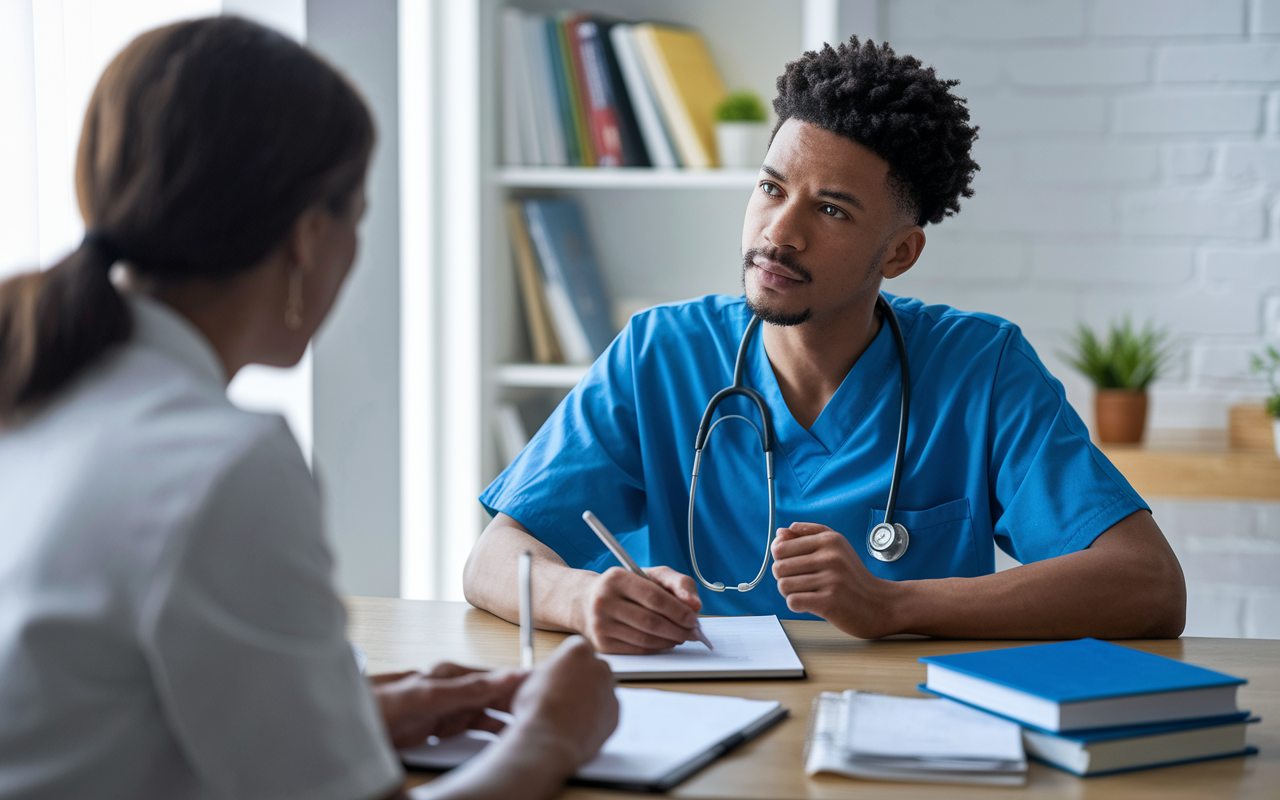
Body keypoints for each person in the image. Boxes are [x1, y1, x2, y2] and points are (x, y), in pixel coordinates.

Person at [0, 17, 616, 800]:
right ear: (306, 237)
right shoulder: (220, 465)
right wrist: (552, 737)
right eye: (357, 216)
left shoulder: (38, 392)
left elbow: (97, 710)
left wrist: (344, 719)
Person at [463, 38, 1186, 654]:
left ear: (899, 253)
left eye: (831, 208)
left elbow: (1149, 584)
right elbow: (493, 559)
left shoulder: (980, 369)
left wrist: (892, 606)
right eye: (772, 189)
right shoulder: (662, 352)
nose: (780, 231)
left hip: (910, 736)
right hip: (710, 723)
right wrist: (582, 599)